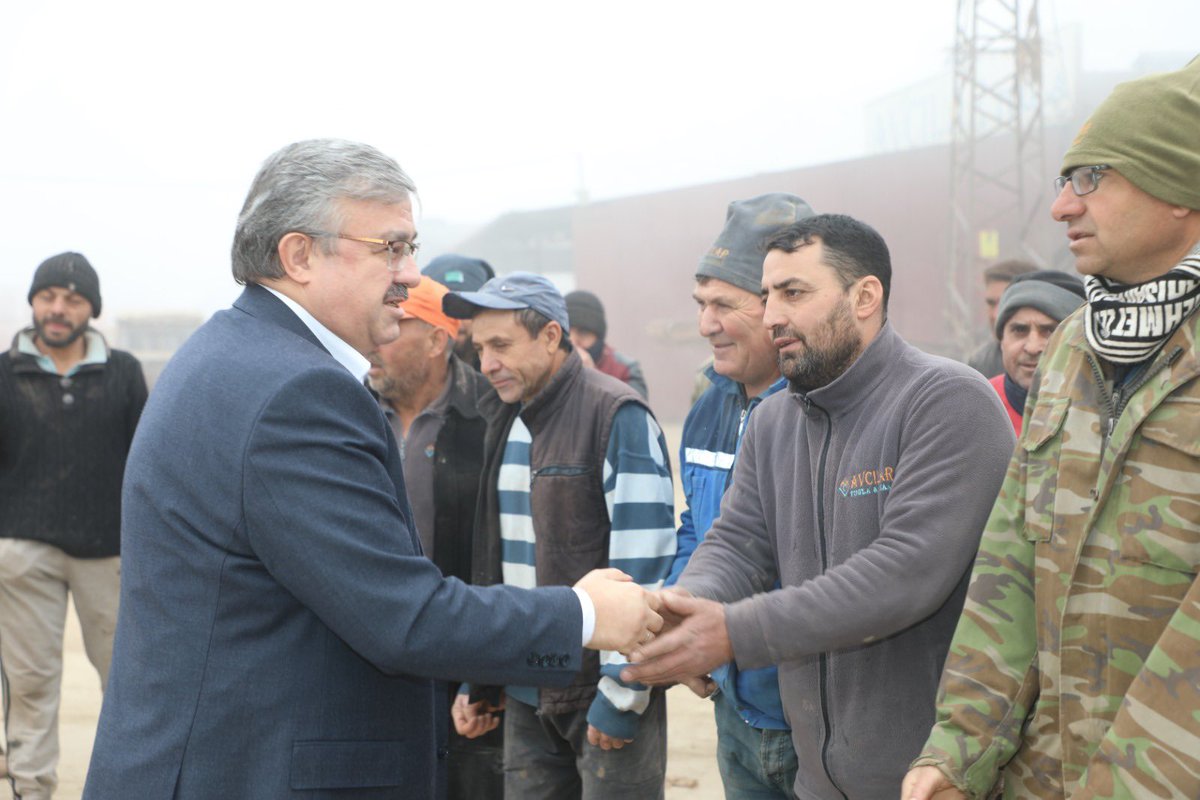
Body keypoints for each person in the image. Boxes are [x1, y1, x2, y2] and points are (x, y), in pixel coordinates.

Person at [82, 139, 662, 800]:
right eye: (390, 247)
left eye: (410, 246)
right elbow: (403, 617)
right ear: (299, 255)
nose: (411, 273)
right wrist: (584, 615)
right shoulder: (293, 393)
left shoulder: (237, 355)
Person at [622, 214, 1015, 799]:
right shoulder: (774, 421)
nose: (772, 314)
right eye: (766, 295)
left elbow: (904, 574)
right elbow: (736, 543)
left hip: (936, 779)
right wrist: (685, 603)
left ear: (865, 296)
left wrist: (732, 632)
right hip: (818, 782)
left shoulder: (947, 401)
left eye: (794, 293)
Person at [904, 56, 1200, 800]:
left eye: (1092, 178)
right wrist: (959, 750)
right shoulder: (1075, 345)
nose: (1064, 207)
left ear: (1180, 189)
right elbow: (1011, 560)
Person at [444, 273, 677, 799]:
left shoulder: (616, 413)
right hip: (524, 694)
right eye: (480, 347)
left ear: (552, 336)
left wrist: (624, 695)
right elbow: (495, 562)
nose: (486, 364)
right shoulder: (503, 416)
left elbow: (646, 566)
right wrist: (481, 676)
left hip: (601, 698)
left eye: (501, 345)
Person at [666, 192, 815, 799]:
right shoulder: (710, 408)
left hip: (812, 715)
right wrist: (680, 620)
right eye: (701, 305)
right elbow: (696, 529)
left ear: (780, 305)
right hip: (735, 710)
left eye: (724, 304)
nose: (706, 325)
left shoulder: (821, 413)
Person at [0, 252, 147, 800]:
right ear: (34, 302)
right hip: (22, 551)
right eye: (48, 297)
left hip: (108, 552)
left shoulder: (124, 372)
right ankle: (30, 790)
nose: (58, 309)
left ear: (92, 309)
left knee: (127, 681)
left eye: (73, 299)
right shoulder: (2, 371)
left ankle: (130, 786)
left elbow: (144, 464)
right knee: (30, 684)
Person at [366, 274, 503, 800]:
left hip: (465, 663)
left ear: (438, 339)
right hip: (373, 660)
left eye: (397, 326)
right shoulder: (346, 412)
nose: (378, 340)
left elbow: (505, 552)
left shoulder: (492, 414)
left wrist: (485, 677)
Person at [988, 270, 1084, 434]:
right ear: (1001, 339)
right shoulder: (979, 404)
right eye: (1019, 330)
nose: (1032, 347)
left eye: (1049, 331)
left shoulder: (1104, 411)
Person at [564, 289, 649, 399]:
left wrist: (592, 377)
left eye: (583, 333)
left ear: (599, 337)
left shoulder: (626, 370)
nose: (573, 342)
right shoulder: (550, 368)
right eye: (566, 333)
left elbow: (633, 412)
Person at [966, 259, 1036, 377]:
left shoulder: (1064, 357)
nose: (995, 315)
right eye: (991, 303)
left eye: (1005, 303)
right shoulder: (979, 364)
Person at [423, 254, 495, 369]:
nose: (456, 319)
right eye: (445, 307)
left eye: (465, 308)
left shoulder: (498, 372)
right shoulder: (409, 372)